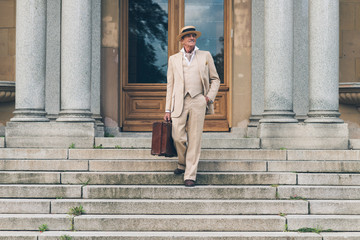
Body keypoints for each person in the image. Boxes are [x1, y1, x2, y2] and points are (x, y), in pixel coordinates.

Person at [164, 26, 220, 187]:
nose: (191, 38)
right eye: (187, 36)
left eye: (193, 35)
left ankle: (190, 175)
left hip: (198, 101)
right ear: (181, 40)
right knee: (178, 137)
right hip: (178, 103)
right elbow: (170, 84)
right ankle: (182, 163)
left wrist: (208, 97)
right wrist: (167, 109)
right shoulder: (173, 59)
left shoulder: (205, 56)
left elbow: (215, 79)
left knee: (195, 139)